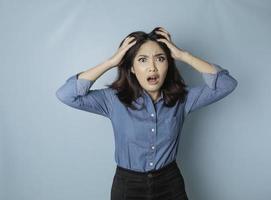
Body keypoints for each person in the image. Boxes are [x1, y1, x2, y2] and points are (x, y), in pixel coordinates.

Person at [55, 26, 238, 200]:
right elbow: (67, 94)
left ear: (168, 64)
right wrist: (111, 62)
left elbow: (226, 84)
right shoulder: (113, 100)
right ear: (132, 68)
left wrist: (184, 55)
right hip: (128, 185)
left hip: (170, 182)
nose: (152, 67)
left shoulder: (183, 100)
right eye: (142, 60)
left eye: (160, 58)